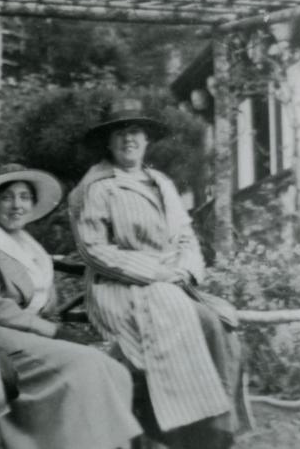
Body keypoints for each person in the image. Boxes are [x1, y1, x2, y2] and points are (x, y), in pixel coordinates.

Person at [68, 108, 250, 449]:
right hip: (120, 286)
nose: (129, 139)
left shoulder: (161, 182)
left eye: (136, 131)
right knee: (196, 321)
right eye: (120, 132)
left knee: (222, 320)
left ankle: (217, 427)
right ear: (108, 141)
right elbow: (94, 250)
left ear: (147, 139)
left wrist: (185, 270)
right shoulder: (98, 187)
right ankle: (187, 433)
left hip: (170, 282)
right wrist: (158, 274)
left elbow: (185, 236)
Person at [0, 163, 142, 449]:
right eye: (7, 197)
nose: (17, 205)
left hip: (28, 336)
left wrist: (54, 331)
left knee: (113, 370)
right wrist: (53, 332)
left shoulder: (29, 246)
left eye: (24, 197)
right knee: (84, 366)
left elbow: (44, 302)